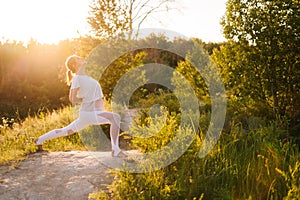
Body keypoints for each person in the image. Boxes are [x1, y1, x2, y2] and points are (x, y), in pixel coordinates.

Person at [34, 55, 127, 157]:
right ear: (74, 64)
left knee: (67, 131)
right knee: (115, 118)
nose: (81, 58)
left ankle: (39, 139)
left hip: (92, 113)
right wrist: (83, 100)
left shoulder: (86, 77)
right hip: (89, 113)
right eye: (78, 58)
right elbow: (72, 98)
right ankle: (116, 150)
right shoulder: (77, 78)